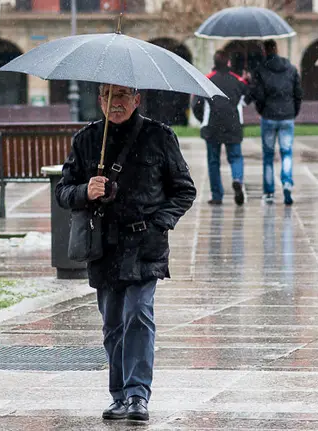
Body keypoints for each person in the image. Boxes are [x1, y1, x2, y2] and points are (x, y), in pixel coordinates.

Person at [55, 84, 196, 422]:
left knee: (138, 314)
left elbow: (184, 190)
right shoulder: (87, 140)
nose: (114, 103)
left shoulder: (159, 137)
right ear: (99, 100)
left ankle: (137, 396)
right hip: (103, 245)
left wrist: (159, 222)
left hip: (145, 244)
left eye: (121, 96)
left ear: (136, 100)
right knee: (113, 324)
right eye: (107, 96)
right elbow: (63, 191)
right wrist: (84, 191)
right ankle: (118, 396)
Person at [192, 50, 249, 206]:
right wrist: (247, 81)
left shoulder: (206, 80)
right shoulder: (238, 80)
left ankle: (217, 195)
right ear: (228, 63)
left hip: (212, 127)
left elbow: (195, 105)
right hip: (233, 125)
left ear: (214, 63)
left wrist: (202, 119)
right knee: (236, 157)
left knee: (213, 161)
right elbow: (249, 98)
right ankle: (237, 179)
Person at [250, 39, 303, 205]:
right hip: (287, 116)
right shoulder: (291, 69)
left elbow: (258, 95)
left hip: (269, 116)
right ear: (277, 49)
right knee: (286, 153)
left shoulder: (260, 70)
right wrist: (293, 112)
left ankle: (269, 193)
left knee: (268, 156)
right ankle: (287, 183)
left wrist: (262, 110)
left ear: (265, 51)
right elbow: (298, 93)